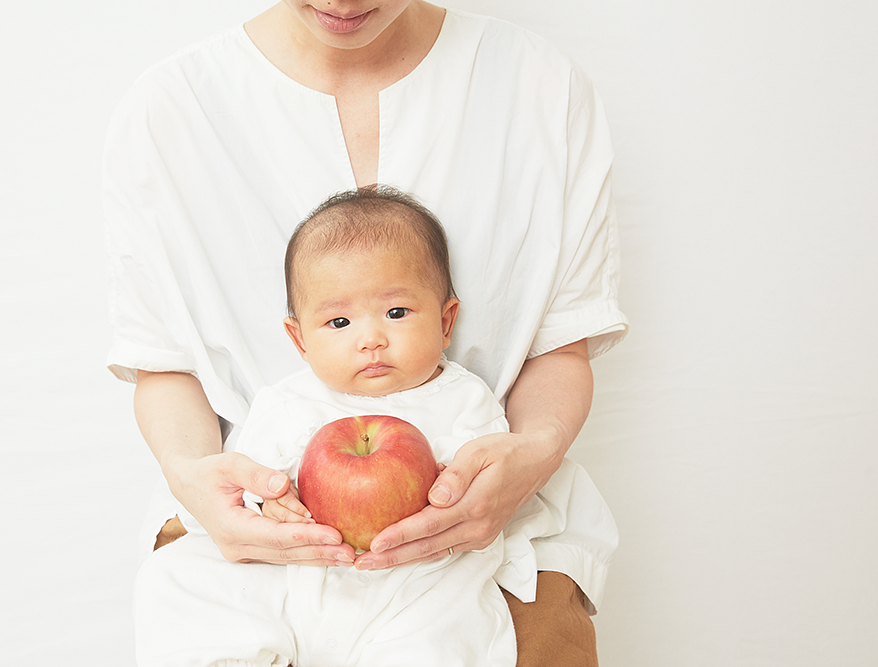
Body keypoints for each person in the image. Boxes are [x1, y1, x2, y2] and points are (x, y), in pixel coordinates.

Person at [103, 3, 628, 664]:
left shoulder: (541, 88)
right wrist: (196, 478)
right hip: (255, 540)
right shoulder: (166, 113)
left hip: (472, 540)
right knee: (179, 593)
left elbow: (561, 345)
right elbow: (164, 364)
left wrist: (531, 451)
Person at [135, 186, 613, 667]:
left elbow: (485, 473)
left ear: (446, 322)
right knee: (180, 577)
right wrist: (275, 502)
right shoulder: (285, 400)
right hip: (298, 567)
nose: (370, 339)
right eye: (339, 322)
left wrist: (450, 482)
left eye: (397, 313)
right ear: (299, 339)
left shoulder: (464, 397)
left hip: (418, 571)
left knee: (448, 628)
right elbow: (255, 476)